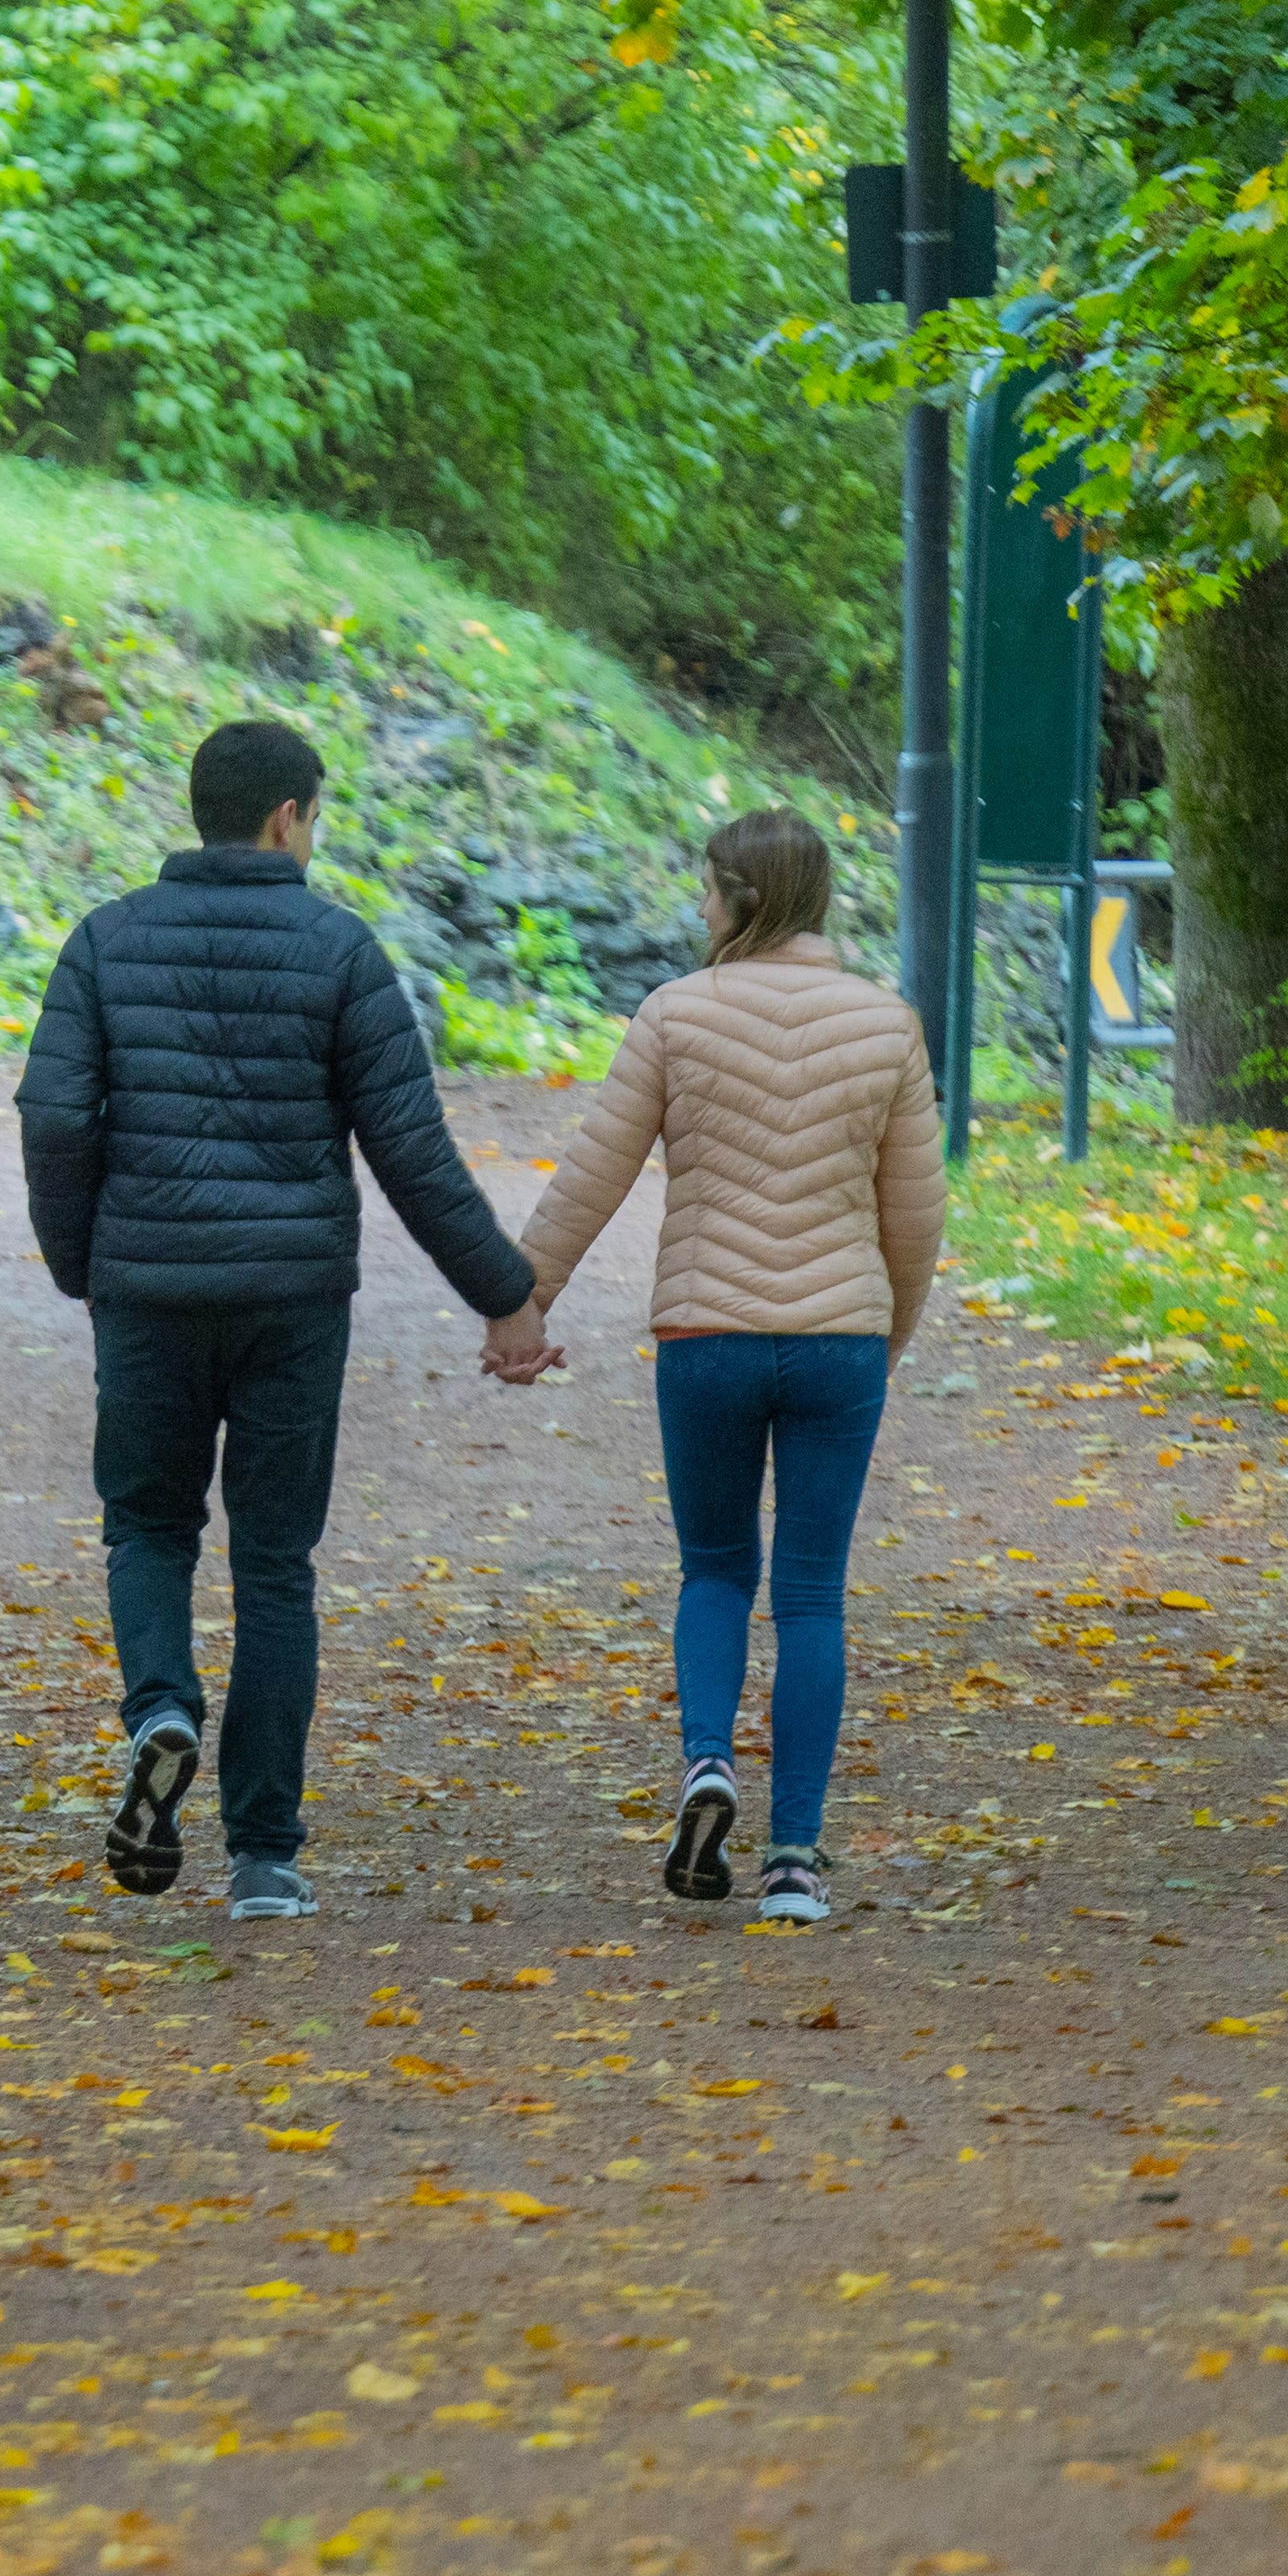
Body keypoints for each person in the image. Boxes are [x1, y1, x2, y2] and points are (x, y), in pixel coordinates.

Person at [15, 716, 543, 1920]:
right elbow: (412, 1151)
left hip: (147, 1292)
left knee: (147, 1526)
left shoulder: (105, 940)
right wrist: (504, 1298)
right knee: (273, 1566)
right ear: (289, 819)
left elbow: (52, 1116)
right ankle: (264, 1857)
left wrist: (80, 1261)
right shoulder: (340, 950)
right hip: (294, 1302)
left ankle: (159, 1709)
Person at [486, 806, 935, 1927]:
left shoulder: (676, 1016)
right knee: (815, 1593)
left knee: (717, 1572)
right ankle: (794, 1862)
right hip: (839, 1345)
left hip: (707, 1339)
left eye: (707, 890)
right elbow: (915, 1216)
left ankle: (704, 1768)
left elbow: (591, 1175)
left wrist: (523, 1305)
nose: (698, 909)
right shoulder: (886, 1025)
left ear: (742, 898)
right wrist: (887, 1333)